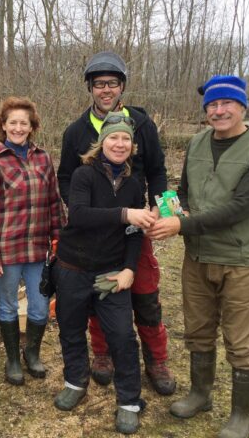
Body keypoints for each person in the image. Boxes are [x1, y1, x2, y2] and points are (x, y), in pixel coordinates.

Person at [148, 76, 249, 438]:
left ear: (243, 107)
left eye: (226, 104)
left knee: (239, 341)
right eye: (212, 105)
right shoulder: (196, 143)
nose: (219, 111)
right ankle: (200, 394)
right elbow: (188, 195)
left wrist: (181, 226)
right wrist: (171, 209)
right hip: (198, 256)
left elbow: (241, 207)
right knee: (198, 331)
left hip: (241, 258)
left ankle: (242, 415)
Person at [57, 51, 176, 395]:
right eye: (99, 85)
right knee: (100, 288)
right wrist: (81, 205)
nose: (106, 90)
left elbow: (156, 169)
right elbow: (66, 176)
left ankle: (156, 359)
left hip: (136, 221)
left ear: (122, 86)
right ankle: (103, 352)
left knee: (144, 290)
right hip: (93, 228)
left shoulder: (141, 123)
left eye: (112, 83)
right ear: (90, 89)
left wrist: (160, 209)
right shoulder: (76, 131)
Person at [53, 115, 154, 434]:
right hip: (73, 268)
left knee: (122, 335)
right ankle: (75, 381)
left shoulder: (135, 185)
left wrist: (128, 269)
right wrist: (126, 213)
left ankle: (128, 400)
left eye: (125, 139)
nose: (119, 144)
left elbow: (134, 233)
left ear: (132, 146)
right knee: (71, 328)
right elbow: (79, 214)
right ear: (102, 143)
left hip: (111, 272)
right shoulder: (84, 175)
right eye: (114, 138)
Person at [0, 97, 64, 386]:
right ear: (3, 125)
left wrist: (58, 238)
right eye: (12, 122)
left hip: (38, 249)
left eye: (23, 123)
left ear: (32, 126)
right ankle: (13, 359)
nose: (17, 127)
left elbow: (53, 202)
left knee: (40, 306)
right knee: (8, 306)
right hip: (7, 250)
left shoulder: (43, 158)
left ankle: (32, 353)